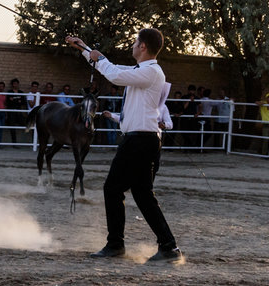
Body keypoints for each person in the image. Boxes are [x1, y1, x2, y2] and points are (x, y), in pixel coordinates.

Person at [66, 28, 182, 262]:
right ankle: (168, 247)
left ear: (143, 47)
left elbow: (115, 76)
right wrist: (85, 48)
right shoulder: (143, 70)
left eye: (135, 41)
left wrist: (96, 56)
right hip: (141, 140)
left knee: (113, 188)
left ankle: (116, 244)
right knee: (142, 194)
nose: (132, 44)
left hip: (139, 140)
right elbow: (115, 69)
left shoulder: (151, 72)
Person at [5, 78, 27, 147]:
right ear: (12, 85)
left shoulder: (21, 92)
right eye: (14, 84)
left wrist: (14, 100)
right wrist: (17, 101)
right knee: (12, 127)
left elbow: (23, 102)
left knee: (24, 124)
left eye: (17, 84)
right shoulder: (9, 92)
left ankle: (31, 143)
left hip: (19, 111)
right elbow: (8, 102)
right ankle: (14, 144)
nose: (15, 85)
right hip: (11, 111)